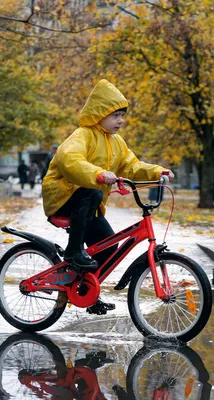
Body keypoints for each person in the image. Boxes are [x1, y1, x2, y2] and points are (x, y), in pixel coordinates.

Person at [42, 79, 173, 312]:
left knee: (109, 248)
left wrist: (156, 171)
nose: (121, 121)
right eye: (115, 116)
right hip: (63, 197)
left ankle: (87, 293)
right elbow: (69, 161)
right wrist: (99, 174)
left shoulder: (116, 142)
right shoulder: (83, 135)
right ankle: (74, 251)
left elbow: (131, 165)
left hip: (88, 204)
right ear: (99, 114)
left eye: (122, 115)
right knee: (91, 192)